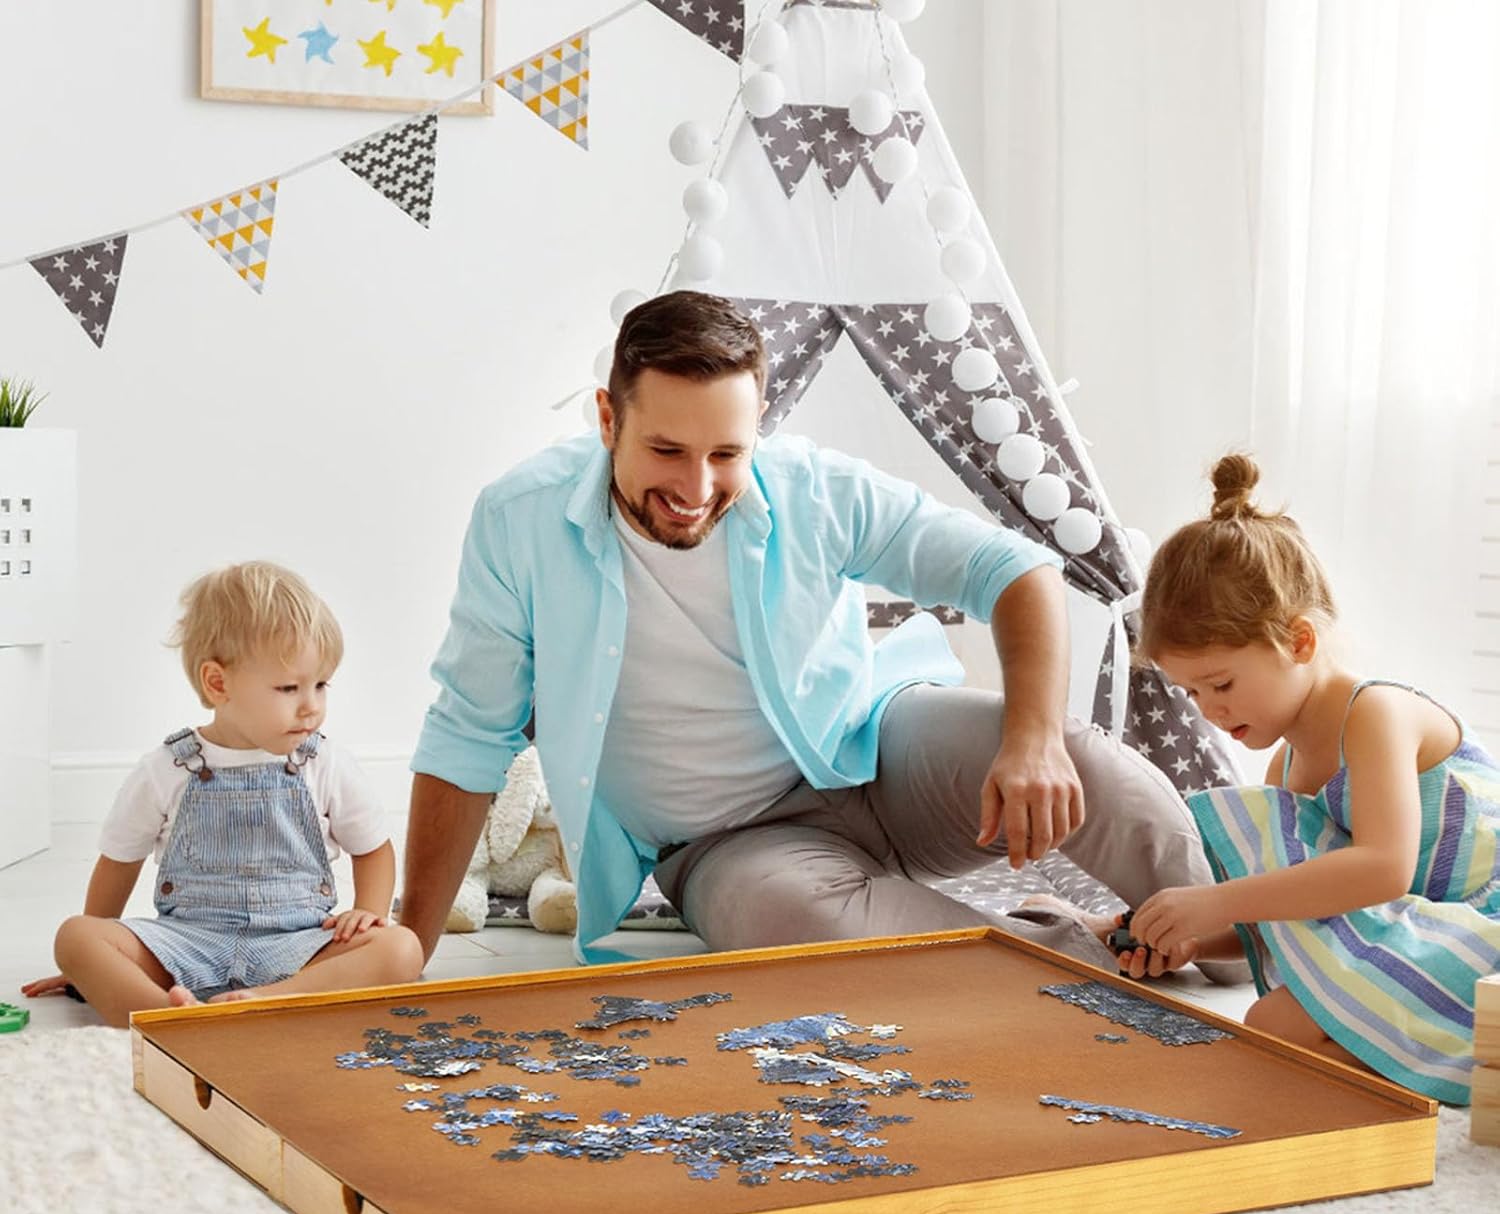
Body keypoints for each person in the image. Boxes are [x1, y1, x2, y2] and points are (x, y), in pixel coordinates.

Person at [399, 291, 1229, 973]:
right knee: (806, 933)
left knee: (1081, 760)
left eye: (727, 454)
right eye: (668, 450)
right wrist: (410, 947)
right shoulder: (520, 520)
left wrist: (1034, 740)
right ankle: (1081, 954)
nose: (697, 487)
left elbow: (1015, 570)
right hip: (726, 846)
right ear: (608, 419)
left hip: (879, 754)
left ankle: (1243, 936)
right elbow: (469, 735)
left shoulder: (811, 489)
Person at [1110, 453, 1495, 1105]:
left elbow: (1383, 870)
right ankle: (1434, 1057)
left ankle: (1450, 1061)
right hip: (1414, 937)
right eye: (1192, 694)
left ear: (1300, 642)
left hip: (1480, 934)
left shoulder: (1376, 714)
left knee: (1276, 1027)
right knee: (1274, 1026)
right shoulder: (1284, 767)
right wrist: (1192, 940)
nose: (1209, 712)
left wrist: (1215, 902)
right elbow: (1293, 918)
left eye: (1222, 684)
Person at [22, 562, 423, 1027]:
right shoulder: (167, 768)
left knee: (402, 947)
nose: (311, 706)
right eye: (288, 687)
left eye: (320, 685)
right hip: (187, 942)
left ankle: (270, 999)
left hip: (297, 944)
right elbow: (119, 862)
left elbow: (373, 848)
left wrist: (367, 912)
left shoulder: (324, 762)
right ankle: (168, 1018)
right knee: (75, 936)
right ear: (218, 683)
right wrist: (92, 963)